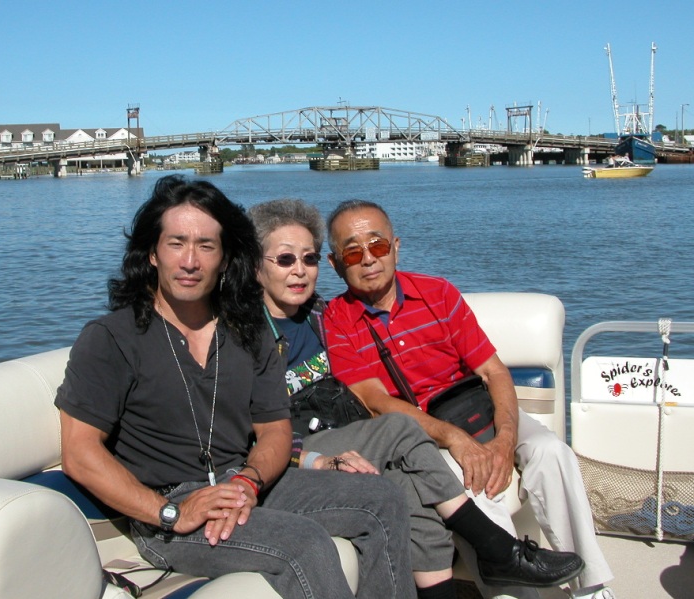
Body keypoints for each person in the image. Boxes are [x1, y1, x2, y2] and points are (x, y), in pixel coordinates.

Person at [54, 176, 416, 599]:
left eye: (206, 246)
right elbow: (80, 453)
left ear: (225, 258)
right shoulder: (111, 338)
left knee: (382, 498)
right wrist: (169, 512)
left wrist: (248, 482)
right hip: (169, 510)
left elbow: (275, 430)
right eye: (176, 243)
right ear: (151, 253)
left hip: (244, 482)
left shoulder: (246, 331)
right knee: (303, 544)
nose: (190, 261)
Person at [249, 198, 585, 599]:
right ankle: (501, 555)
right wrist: (317, 459)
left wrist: (504, 440)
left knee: (546, 454)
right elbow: (367, 403)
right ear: (256, 266)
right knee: (419, 446)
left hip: (419, 421)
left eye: (309, 258)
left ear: (395, 247)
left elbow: (492, 370)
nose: (300, 270)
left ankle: (592, 586)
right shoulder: (254, 333)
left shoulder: (320, 315)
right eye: (285, 260)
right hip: (313, 445)